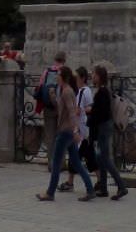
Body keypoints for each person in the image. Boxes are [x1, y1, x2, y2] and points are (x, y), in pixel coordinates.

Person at [36, 65, 95, 202]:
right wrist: (52, 96)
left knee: (56, 164)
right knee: (76, 162)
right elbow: (62, 108)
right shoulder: (66, 91)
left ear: (64, 77)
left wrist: (75, 130)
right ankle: (90, 189)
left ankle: (50, 193)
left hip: (65, 132)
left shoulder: (67, 91)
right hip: (68, 131)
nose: (56, 76)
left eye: (59, 74)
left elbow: (71, 112)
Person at [88, 65, 127, 200]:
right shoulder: (102, 91)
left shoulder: (103, 92)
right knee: (100, 157)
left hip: (104, 127)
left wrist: (91, 111)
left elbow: (103, 113)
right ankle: (104, 188)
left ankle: (121, 186)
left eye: (93, 74)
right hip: (102, 127)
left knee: (105, 158)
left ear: (99, 77)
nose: (92, 77)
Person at [57, 66, 96, 192]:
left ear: (82, 78)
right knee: (84, 156)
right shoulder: (88, 91)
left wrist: (74, 127)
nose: (75, 80)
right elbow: (89, 107)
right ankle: (73, 182)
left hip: (78, 129)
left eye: (77, 77)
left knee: (78, 158)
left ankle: (71, 183)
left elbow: (76, 111)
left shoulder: (80, 92)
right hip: (83, 128)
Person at [35, 50, 66, 170]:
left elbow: (40, 87)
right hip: (61, 108)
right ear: (64, 60)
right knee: (61, 136)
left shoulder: (46, 71)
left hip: (48, 107)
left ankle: (51, 163)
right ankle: (61, 162)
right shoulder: (65, 72)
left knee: (50, 136)